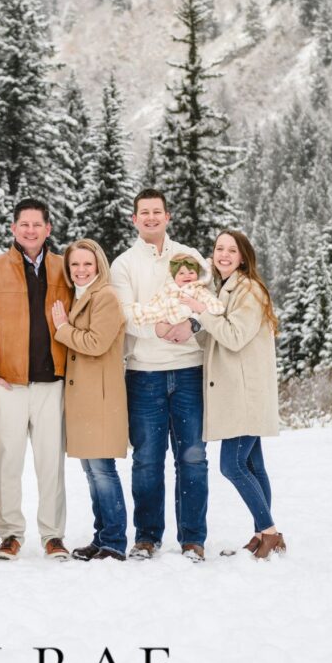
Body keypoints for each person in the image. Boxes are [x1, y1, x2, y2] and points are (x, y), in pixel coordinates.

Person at [110, 188, 208, 562]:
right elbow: (125, 311)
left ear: (168, 217)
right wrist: (159, 328)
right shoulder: (124, 264)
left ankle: (193, 539)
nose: (150, 217)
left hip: (188, 370)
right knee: (148, 458)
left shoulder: (190, 257)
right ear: (134, 219)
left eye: (157, 212)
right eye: (143, 212)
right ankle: (147, 537)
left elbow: (207, 301)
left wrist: (193, 323)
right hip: (144, 372)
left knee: (193, 456)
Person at [0, 198, 72, 560]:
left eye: (37, 224)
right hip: (7, 384)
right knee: (8, 461)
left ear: (48, 229)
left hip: (52, 381)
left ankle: (53, 535)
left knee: (51, 463)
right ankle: (10, 534)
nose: (30, 230)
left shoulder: (65, 269)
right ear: (13, 229)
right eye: (23, 224)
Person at [179, 230, 285, 559]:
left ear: (243, 257)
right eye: (219, 248)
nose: (224, 254)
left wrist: (201, 312)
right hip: (239, 391)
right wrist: (192, 326)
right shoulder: (224, 290)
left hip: (245, 393)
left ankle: (269, 533)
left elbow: (235, 335)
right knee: (253, 465)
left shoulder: (248, 290)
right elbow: (216, 337)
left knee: (233, 465)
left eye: (231, 250)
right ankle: (262, 533)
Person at [51, 239, 129, 561]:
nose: (81, 270)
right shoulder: (81, 296)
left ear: (98, 264)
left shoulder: (106, 296)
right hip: (84, 398)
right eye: (74, 265)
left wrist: (63, 329)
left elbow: (96, 343)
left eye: (87, 264)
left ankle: (114, 541)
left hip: (99, 397)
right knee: (92, 471)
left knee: (102, 470)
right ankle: (102, 536)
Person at [130, 252, 224, 331]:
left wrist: (216, 307)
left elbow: (209, 299)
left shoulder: (197, 289)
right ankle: (141, 315)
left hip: (184, 316)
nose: (187, 276)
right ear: (174, 276)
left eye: (191, 272)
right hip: (165, 313)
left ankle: (172, 317)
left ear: (197, 275)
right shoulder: (169, 288)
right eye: (181, 273)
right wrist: (150, 307)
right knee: (156, 311)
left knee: (184, 309)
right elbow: (157, 300)